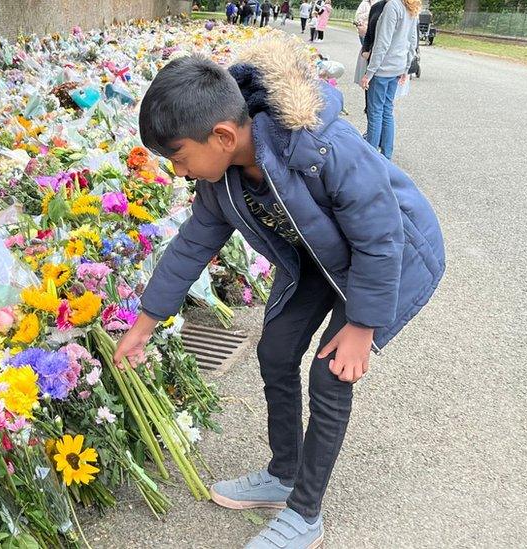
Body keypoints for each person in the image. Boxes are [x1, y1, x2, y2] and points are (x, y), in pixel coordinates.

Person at [122, 35, 444, 549]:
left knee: (332, 372)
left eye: (178, 158)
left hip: (395, 256)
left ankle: (305, 513)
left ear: (223, 134)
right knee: (274, 350)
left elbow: (380, 237)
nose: (175, 172)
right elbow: (190, 248)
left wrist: (361, 326)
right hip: (320, 258)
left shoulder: (321, 145)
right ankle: (284, 472)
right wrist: (144, 324)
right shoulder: (220, 179)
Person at [361, 0, 420, 158]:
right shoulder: (411, 7)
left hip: (383, 69)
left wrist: (369, 72)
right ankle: (386, 155)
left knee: (375, 112)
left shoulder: (392, 6)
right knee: (387, 110)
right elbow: (412, 41)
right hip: (397, 67)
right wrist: (406, 68)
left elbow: (382, 42)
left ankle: (371, 158)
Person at [354, 0, 388, 114]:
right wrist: (365, 49)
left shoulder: (396, 8)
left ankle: (373, 130)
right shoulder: (375, 6)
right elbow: (370, 33)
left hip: (384, 60)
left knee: (379, 108)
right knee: (375, 106)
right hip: (372, 53)